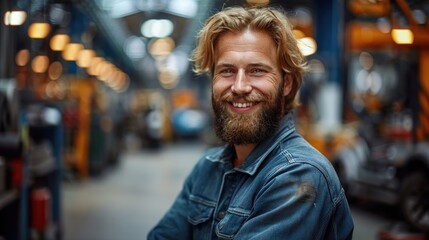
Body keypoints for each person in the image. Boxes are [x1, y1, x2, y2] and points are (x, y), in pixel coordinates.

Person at [148, 5, 354, 240]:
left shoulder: (300, 176)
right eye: (227, 71)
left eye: (257, 70)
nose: (239, 87)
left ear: (286, 84)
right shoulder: (207, 168)